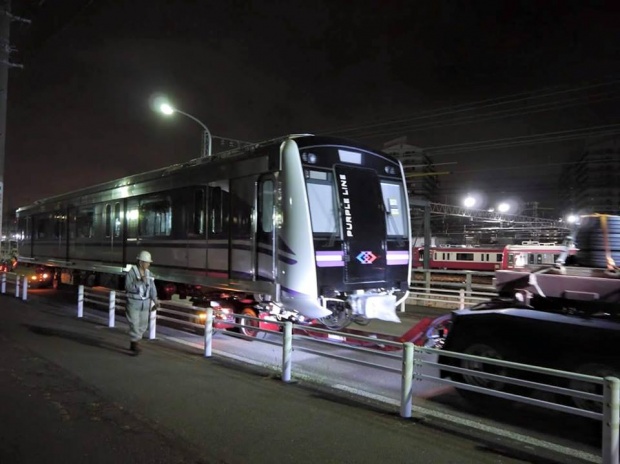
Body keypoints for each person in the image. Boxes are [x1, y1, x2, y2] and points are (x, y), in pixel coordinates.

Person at [125, 250, 159, 355]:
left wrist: (155, 300)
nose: (148, 264)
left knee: (143, 325)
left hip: (145, 303)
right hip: (133, 302)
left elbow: (152, 288)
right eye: (146, 262)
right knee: (134, 323)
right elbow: (128, 287)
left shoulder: (149, 273)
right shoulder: (132, 272)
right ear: (140, 262)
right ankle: (135, 344)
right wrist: (140, 282)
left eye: (149, 262)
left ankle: (134, 341)